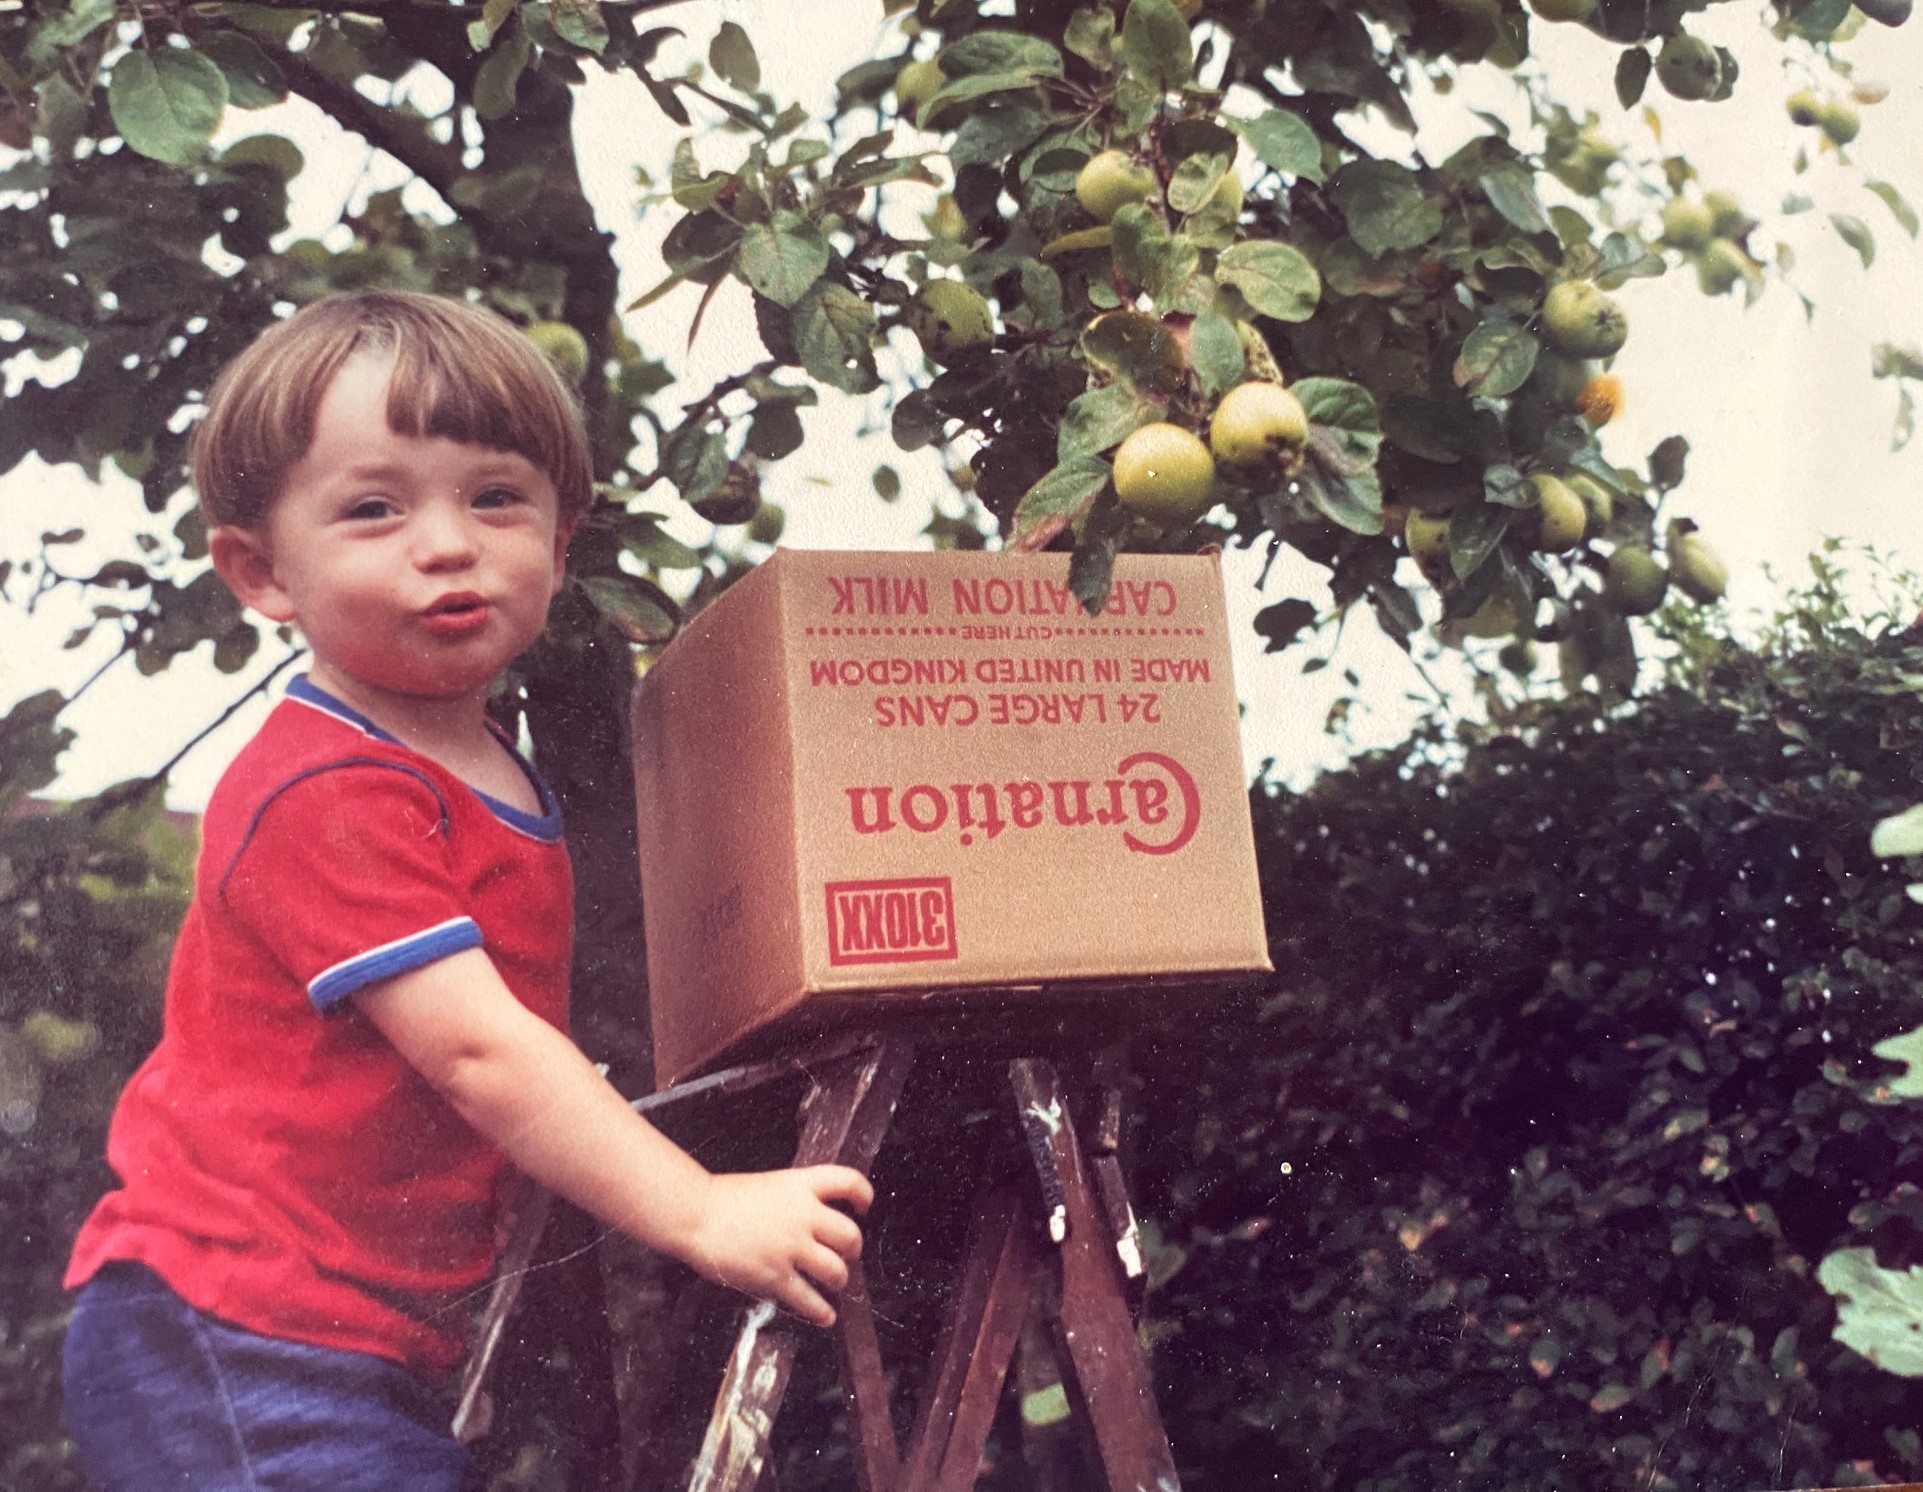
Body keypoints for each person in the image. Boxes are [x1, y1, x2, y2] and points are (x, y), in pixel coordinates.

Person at [60, 290, 872, 1490]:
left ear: (559, 538)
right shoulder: (323, 784)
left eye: (495, 497)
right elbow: (481, 1051)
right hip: (229, 1319)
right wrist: (700, 1211)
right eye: (374, 509)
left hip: (341, 1336)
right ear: (260, 571)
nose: (447, 543)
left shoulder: (489, 768)